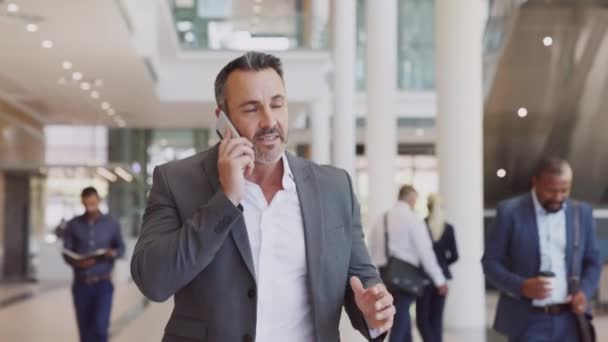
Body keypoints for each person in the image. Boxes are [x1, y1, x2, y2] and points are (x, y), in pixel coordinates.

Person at [130, 51, 395, 342]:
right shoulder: (176, 180)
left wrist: (374, 313)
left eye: (277, 104)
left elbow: (359, 279)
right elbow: (153, 281)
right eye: (251, 109)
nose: (270, 121)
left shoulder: (334, 186)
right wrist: (226, 199)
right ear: (223, 119)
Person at [482, 158, 601, 342]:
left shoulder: (581, 212)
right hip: (527, 321)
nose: (558, 197)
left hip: (570, 320)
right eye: (551, 190)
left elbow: (593, 260)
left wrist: (584, 291)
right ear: (535, 182)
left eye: (564, 190)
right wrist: (521, 286)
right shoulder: (509, 212)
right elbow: (490, 263)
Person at [369, 185, 447, 342]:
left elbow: (373, 248)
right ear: (412, 199)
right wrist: (439, 279)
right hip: (406, 275)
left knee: (399, 313)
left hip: (384, 274)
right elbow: (425, 252)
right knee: (401, 314)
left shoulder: (381, 218)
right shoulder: (412, 219)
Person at [63, 187, 125, 342]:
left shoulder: (112, 223)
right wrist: (77, 262)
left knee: (100, 327)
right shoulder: (73, 224)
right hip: (81, 284)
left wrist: (113, 253)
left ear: (98, 201)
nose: (89, 207)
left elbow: (121, 248)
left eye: (92, 203)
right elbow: (66, 251)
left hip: (103, 284)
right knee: (85, 331)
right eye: (86, 204)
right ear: (82, 202)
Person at [415, 194, 458, 342]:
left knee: (422, 317)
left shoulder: (421, 225)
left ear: (428, 206)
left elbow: (418, 254)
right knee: (436, 318)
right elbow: (455, 255)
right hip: (443, 279)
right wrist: (443, 264)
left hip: (424, 278)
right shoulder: (448, 228)